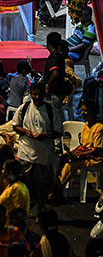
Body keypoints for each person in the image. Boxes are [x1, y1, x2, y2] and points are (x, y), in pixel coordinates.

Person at [12, 82, 62, 211]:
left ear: (44, 94)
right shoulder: (23, 108)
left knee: (44, 183)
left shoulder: (51, 110)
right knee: (26, 182)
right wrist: (26, 132)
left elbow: (58, 131)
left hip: (44, 152)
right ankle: (25, 208)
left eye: (40, 94)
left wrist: (44, 135)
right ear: (30, 94)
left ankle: (41, 208)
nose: (37, 97)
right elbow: (15, 126)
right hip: (26, 150)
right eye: (35, 94)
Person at [56, 99, 103, 192]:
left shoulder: (99, 127)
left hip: (96, 158)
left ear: (93, 112)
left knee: (72, 163)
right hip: (86, 155)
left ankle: (59, 187)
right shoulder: (85, 126)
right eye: (82, 110)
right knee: (62, 159)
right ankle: (56, 182)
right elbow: (82, 144)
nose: (83, 113)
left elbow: (97, 149)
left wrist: (80, 154)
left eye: (85, 111)